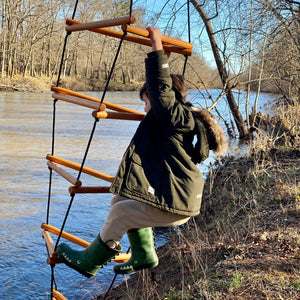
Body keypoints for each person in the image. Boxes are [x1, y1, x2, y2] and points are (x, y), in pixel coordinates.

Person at [56, 27, 227, 278]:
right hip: (179, 198)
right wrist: (165, 58)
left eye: (146, 102)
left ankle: (89, 263)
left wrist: (156, 44)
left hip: (177, 205)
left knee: (120, 213)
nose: (145, 108)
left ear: (159, 100)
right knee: (122, 199)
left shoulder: (172, 116)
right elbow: (162, 94)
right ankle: (145, 254)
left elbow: (160, 90)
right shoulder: (176, 118)